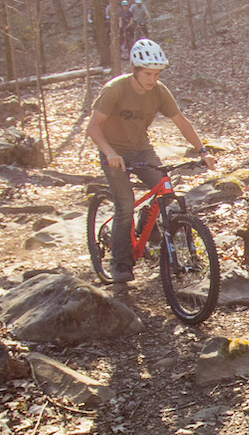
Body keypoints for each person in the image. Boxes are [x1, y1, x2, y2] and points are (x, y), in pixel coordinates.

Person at [87, 39, 216, 284]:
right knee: (124, 206)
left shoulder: (159, 91)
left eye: (156, 74)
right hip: (113, 152)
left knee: (166, 195)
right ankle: (120, 264)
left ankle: (147, 225)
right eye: (147, 74)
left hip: (142, 151)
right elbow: (93, 128)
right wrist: (110, 153)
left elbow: (181, 122)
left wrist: (203, 151)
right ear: (135, 70)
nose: (152, 79)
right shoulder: (115, 89)